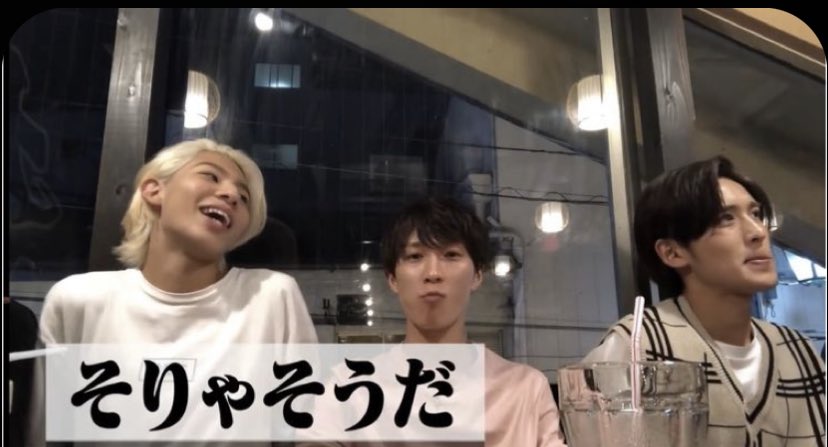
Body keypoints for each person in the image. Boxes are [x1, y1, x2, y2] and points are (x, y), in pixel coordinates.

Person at [30, 138, 317, 446]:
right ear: (154, 190)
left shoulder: (270, 296)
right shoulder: (79, 299)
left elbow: (306, 428)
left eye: (244, 197)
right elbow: (44, 433)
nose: (232, 194)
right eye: (210, 175)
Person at [584, 156, 825, 446]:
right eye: (725, 219)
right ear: (673, 252)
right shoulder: (637, 346)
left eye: (756, 214)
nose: (758, 232)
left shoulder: (799, 351)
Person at [303, 197, 566, 446]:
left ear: (477, 274)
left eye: (450, 255)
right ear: (392, 278)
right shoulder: (349, 390)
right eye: (415, 256)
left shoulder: (524, 389)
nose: (433, 273)